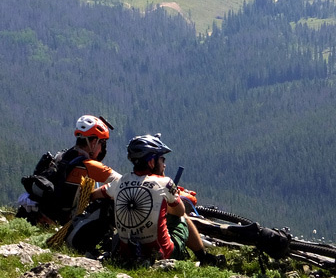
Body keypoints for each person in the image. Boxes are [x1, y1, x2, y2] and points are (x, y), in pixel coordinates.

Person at [104, 134, 221, 266]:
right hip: (162, 253)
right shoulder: (165, 182)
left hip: (126, 253)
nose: (164, 165)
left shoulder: (119, 181)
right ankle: (204, 257)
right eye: (162, 160)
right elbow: (179, 211)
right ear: (151, 162)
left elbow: (96, 194)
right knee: (182, 218)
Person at [17, 114, 121, 225]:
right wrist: (97, 194)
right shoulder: (89, 165)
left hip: (44, 213)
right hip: (64, 222)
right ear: (94, 142)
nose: (102, 150)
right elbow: (123, 182)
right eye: (102, 143)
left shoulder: (62, 156)